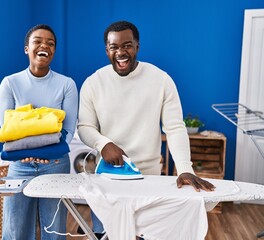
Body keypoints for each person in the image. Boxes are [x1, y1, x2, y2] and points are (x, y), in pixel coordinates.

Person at [77, 20, 215, 236]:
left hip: (149, 177)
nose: (121, 52)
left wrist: (185, 168)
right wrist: (104, 144)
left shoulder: (161, 80)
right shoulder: (93, 83)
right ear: (106, 50)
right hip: (107, 180)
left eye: (127, 45)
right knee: (104, 234)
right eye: (114, 47)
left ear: (137, 47)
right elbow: (85, 126)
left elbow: (175, 128)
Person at [0, 24, 78, 240]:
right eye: (38, 41)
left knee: (55, 231)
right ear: (26, 48)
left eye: (50, 43)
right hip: (19, 166)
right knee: (15, 231)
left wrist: (46, 153)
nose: (45, 46)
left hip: (55, 165)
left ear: (54, 51)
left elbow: (68, 131)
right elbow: (8, 131)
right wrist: (29, 151)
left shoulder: (67, 85)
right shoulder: (10, 84)